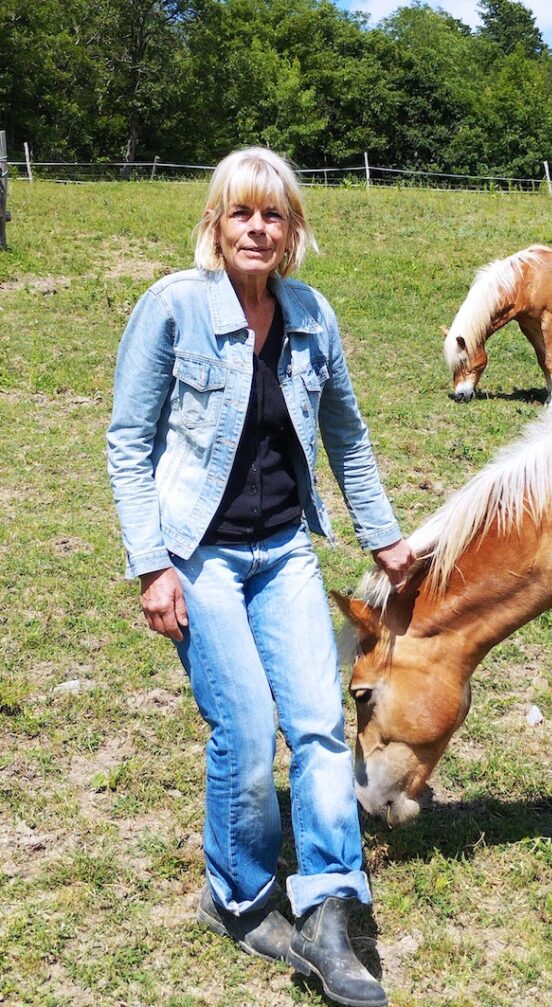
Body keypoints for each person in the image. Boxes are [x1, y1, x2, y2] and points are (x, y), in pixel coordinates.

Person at [107, 146, 414, 1007]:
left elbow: (346, 435)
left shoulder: (312, 314)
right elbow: (128, 443)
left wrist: (383, 535)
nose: (257, 227)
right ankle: (237, 896)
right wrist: (151, 565)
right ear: (216, 223)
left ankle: (327, 907)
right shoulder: (171, 308)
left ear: (292, 231)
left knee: (319, 723)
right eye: (241, 212)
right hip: (195, 555)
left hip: (282, 550)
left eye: (272, 215)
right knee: (243, 731)